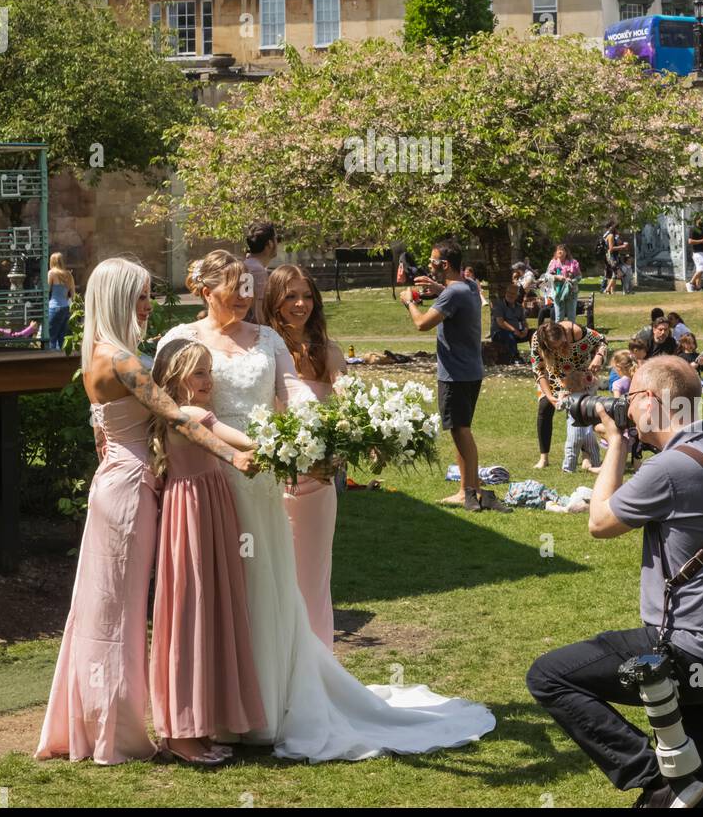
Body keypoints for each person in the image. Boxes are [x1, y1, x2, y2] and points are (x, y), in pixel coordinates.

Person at [159, 250, 496, 760]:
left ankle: (268, 708)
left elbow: (291, 394)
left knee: (267, 587)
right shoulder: (180, 339)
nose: (247, 298)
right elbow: (165, 404)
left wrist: (315, 439)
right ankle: (217, 708)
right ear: (205, 291)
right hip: (209, 484)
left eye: (249, 288)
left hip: (265, 480)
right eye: (236, 289)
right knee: (219, 596)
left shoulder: (267, 340)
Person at [36, 258, 257, 766]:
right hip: (132, 488)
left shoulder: (96, 355)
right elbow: (175, 414)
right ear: (116, 299)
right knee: (124, 613)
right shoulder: (125, 361)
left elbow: (100, 437)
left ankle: (94, 724)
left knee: (100, 609)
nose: (147, 305)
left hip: (110, 482)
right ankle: (122, 733)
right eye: (138, 297)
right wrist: (234, 456)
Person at [526, 356, 703, 809]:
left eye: (629, 397)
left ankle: (651, 768)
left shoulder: (669, 469)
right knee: (678, 802)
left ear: (653, 401)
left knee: (550, 677)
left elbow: (599, 521)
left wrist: (615, 444)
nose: (623, 406)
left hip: (685, 650)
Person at [149, 340, 265, 763]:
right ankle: (182, 735)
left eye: (208, 371)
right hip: (196, 514)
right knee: (196, 609)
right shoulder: (192, 415)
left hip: (200, 510)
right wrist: (283, 443)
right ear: (175, 379)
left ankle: (193, 729)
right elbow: (244, 442)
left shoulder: (175, 415)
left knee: (196, 610)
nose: (207, 380)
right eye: (198, 372)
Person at [263, 263, 347, 647]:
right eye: (291, 295)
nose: (301, 304)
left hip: (317, 481)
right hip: (268, 480)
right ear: (275, 301)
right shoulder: (264, 350)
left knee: (312, 577)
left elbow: (348, 401)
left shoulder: (327, 352)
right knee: (272, 578)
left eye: (307, 295)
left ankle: (316, 669)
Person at [401, 239, 507, 513]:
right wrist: (436, 287)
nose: (429, 266)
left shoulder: (453, 294)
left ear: (444, 265)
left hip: (455, 375)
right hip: (471, 372)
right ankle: (465, 489)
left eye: (433, 262)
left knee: (462, 433)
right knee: (460, 432)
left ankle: (470, 491)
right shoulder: (469, 286)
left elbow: (422, 323)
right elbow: (454, 291)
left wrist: (409, 302)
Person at [530, 319, 608, 473]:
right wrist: (549, 395)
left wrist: (598, 356)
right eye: (555, 347)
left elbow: (602, 340)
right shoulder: (537, 339)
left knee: (585, 413)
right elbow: (538, 369)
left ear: (564, 334)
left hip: (579, 374)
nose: (560, 348)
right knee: (544, 407)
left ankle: (586, 456)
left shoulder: (576, 332)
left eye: (562, 343)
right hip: (554, 375)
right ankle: (543, 457)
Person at [243, 221, 278, 324]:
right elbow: (257, 310)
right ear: (270, 244)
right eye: (276, 239)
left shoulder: (248, 265)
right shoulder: (256, 271)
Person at [489, 282, 530, 363]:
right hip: (499, 333)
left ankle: (537, 355)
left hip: (517, 332)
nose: (510, 295)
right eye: (508, 292)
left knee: (533, 333)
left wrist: (525, 330)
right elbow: (501, 322)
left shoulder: (519, 307)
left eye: (513, 293)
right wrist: (514, 330)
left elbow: (524, 321)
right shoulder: (499, 305)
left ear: (517, 295)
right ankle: (515, 357)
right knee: (510, 335)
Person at [46, 252, 76, 350]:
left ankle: (50, 361)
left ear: (52, 261)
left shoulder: (52, 273)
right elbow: (73, 295)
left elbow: (47, 290)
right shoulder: (69, 275)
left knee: (51, 338)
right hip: (66, 308)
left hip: (54, 308)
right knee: (62, 339)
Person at [546, 244, 581, 323]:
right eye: (558, 250)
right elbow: (547, 276)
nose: (560, 252)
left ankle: (571, 334)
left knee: (571, 318)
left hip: (571, 292)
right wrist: (557, 277)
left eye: (562, 250)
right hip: (558, 292)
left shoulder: (573, 263)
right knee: (559, 318)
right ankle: (559, 334)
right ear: (556, 253)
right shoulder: (553, 262)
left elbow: (579, 276)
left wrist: (572, 281)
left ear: (566, 252)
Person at [687, 214, 703, 292]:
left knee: (700, 270)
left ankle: (698, 287)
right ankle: (691, 283)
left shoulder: (702, 230)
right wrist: (702, 240)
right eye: (701, 219)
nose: (702, 221)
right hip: (697, 252)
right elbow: (690, 241)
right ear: (696, 220)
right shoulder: (693, 229)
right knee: (701, 269)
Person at [603, 222, 629, 296]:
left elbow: (619, 243)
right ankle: (607, 289)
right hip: (611, 257)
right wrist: (622, 247)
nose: (619, 231)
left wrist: (623, 244)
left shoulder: (615, 237)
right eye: (618, 229)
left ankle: (610, 290)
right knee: (616, 273)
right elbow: (611, 249)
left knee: (615, 274)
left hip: (615, 256)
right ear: (615, 229)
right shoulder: (610, 236)